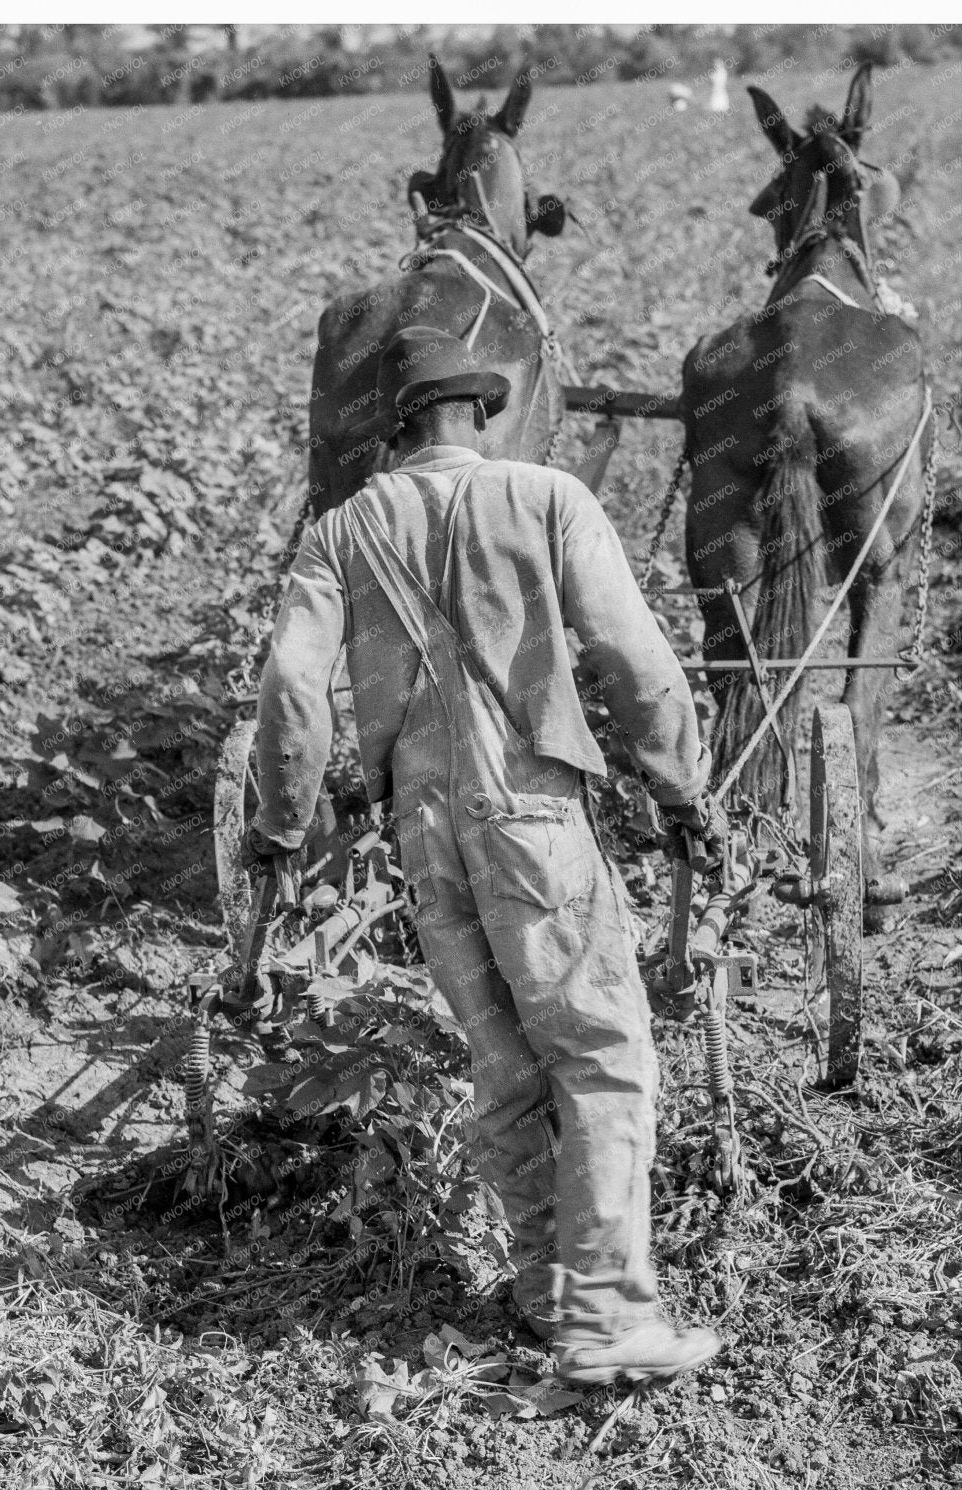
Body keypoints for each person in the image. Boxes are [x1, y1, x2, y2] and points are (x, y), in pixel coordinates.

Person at [252, 326, 724, 1385]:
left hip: (421, 829)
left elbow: (291, 688)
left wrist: (280, 825)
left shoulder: (341, 529)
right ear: (480, 411)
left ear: (395, 428)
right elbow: (630, 653)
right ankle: (606, 1319)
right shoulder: (546, 498)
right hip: (533, 815)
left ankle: (540, 1289)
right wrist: (678, 781)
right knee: (602, 1053)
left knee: (504, 1064)